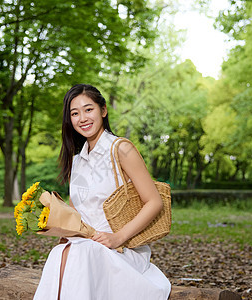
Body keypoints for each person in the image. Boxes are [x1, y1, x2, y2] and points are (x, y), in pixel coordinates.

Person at [33, 84, 171, 300]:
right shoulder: (77, 160)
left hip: (121, 249)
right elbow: (76, 210)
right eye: (75, 113)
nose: (82, 118)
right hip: (86, 247)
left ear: (103, 110)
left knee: (79, 254)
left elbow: (154, 202)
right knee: (59, 253)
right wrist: (64, 229)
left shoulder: (121, 149)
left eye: (89, 109)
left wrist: (118, 238)